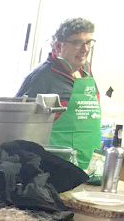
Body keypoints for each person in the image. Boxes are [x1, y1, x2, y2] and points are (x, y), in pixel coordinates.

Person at [17, 17, 101, 169]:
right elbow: (18, 124)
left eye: (88, 42)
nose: (85, 49)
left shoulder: (86, 71)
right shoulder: (41, 77)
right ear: (58, 46)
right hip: (51, 167)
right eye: (77, 42)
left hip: (85, 164)